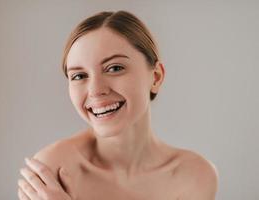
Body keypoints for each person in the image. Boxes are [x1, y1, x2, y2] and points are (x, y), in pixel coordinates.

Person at [17, 10, 219, 200]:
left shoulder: (195, 176)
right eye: (79, 76)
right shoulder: (53, 168)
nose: (96, 90)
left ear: (156, 77)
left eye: (114, 68)